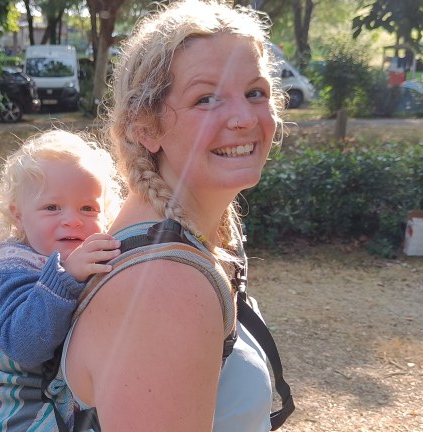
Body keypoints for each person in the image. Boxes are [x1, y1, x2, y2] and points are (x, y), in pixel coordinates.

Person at [59, 1, 283, 431]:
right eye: (206, 98)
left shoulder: (183, 245)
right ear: (146, 128)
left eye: (255, 92)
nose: (243, 118)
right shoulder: (164, 288)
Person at [0, 130, 124, 431]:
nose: (72, 220)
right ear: (18, 217)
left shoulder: (91, 254)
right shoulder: (16, 265)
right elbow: (25, 346)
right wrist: (66, 277)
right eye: (52, 207)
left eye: (88, 208)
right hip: (23, 417)